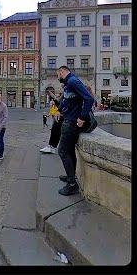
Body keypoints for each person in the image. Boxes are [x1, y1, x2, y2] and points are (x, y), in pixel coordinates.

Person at [55, 66, 94, 196]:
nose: (58, 78)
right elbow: (67, 100)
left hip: (72, 122)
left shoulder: (73, 81)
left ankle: (72, 184)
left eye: (58, 75)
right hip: (68, 119)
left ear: (62, 72)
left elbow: (89, 98)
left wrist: (82, 117)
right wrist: (59, 111)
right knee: (70, 150)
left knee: (62, 151)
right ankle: (71, 176)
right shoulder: (68, 84)